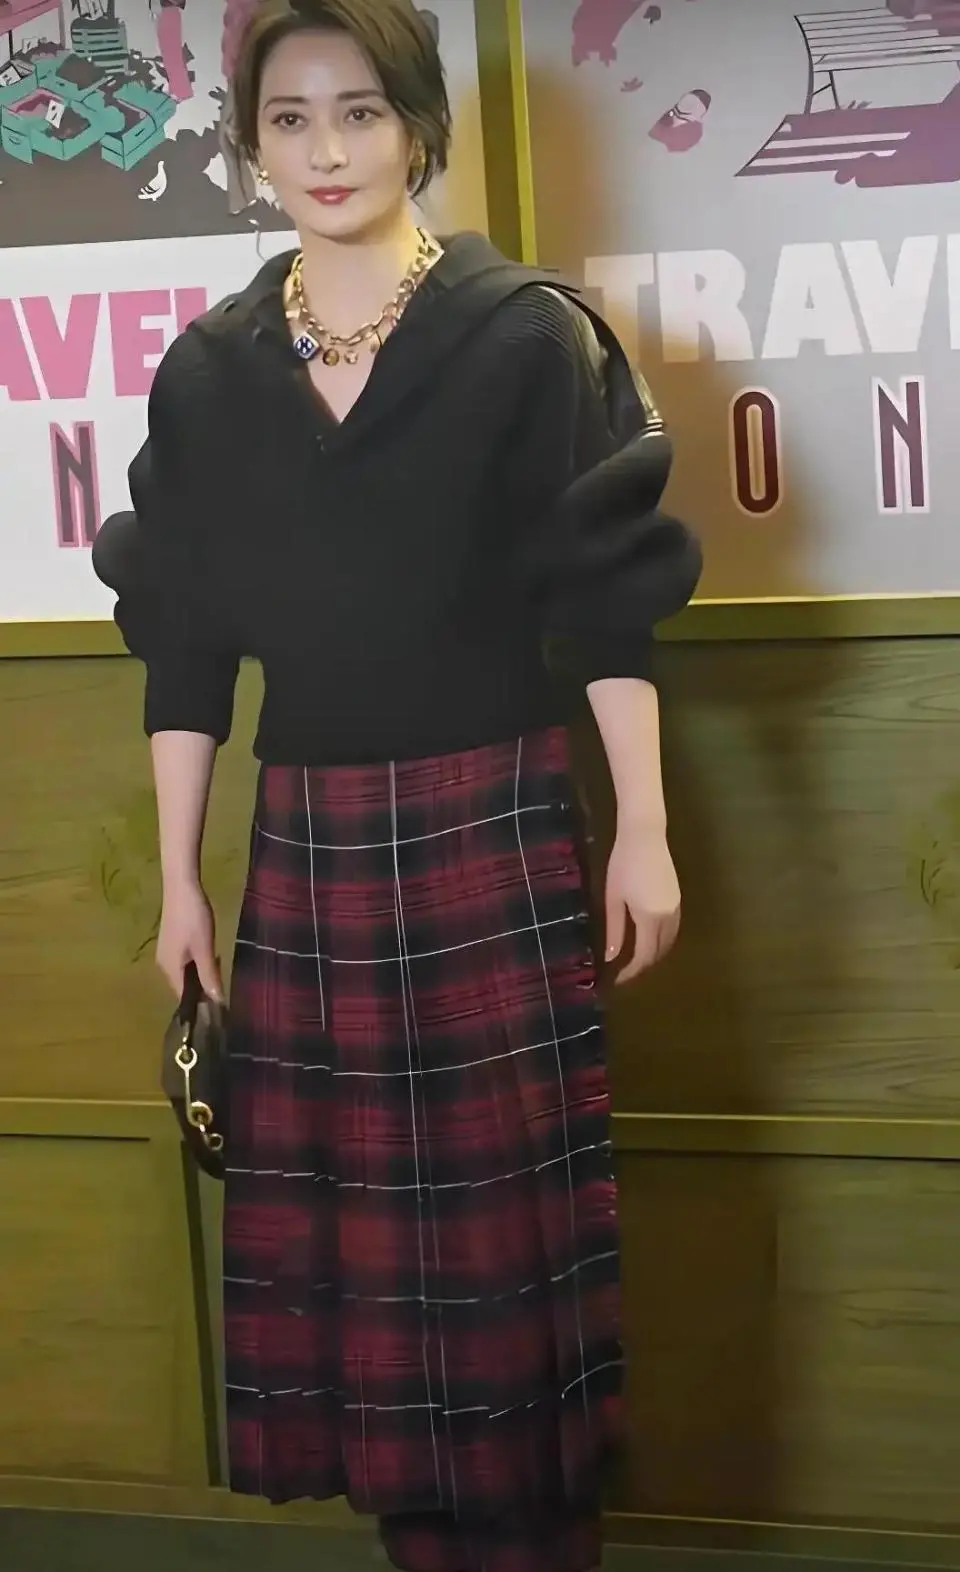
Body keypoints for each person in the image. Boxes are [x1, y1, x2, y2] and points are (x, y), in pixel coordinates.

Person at [91, 1, 701, 1568]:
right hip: (310, 853)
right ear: (252, 145)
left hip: (496, 827)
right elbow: (183, 646)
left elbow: (604, 600)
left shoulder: (525, 334)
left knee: (504, 1280)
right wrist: (180, 881)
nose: (327, 150)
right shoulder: (212, 372)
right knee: (367, 1291)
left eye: (359, 112)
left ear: (418, 126)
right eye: (289, 120)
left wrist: (643, 827)